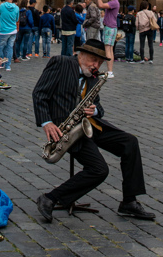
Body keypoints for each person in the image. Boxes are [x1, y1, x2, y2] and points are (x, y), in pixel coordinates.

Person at [32, 38, 155, 223]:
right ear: (81, 55)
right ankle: (50, 198)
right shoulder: (61, 63)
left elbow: (99, 107)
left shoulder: (94, 77)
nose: (96, 65)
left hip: (90, 124)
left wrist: (94, 110)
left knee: (130, 142)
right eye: (93, 60)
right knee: (99, 170)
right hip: (68, 128)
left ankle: (129, 201)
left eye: (100, 62)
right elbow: (39, 93)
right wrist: (47, 122)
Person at [94, 0, 120, 78]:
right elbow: (99, 5)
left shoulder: (114, 2)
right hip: (111, 28)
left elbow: (101, 5)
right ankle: (110, 71)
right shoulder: (113, 2)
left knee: (108, 49)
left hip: (109, 28)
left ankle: (110, 72)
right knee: (110, 50)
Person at [0, 0, 19, 72]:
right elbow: (17, 19)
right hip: (13, 30)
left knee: (0, 47)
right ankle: (8, 65)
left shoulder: (2, 6)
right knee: (9, 48)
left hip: (3, 30)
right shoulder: (16, 7)